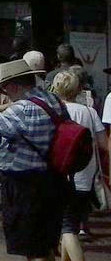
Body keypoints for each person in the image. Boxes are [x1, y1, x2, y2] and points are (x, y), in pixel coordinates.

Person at [0, 59, 70, 261]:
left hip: (25, 186)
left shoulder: (22, 109)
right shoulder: (53, 100)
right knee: (46, 244)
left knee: (32, 248)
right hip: (53, 179)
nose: (5, 93)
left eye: (5, 89)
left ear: (14, 85)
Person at [52, 71, 105, 260]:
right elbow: (103, 144)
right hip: (86, 175)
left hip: (61, 175)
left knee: (67, 229)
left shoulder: (54, 111)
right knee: (71, 224)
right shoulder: (89, 112)